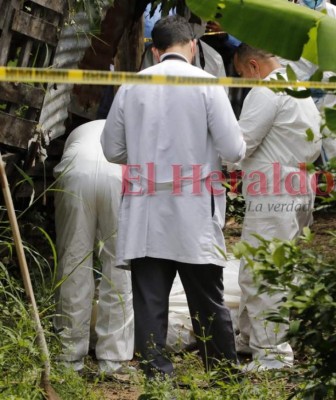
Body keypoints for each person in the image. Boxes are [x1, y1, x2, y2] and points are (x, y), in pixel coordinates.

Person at [101, 15, 246, 378]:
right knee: (207, 295)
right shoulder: (208, 84)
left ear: (154, 50)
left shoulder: (131, 86)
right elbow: (234, 148)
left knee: (149, 299)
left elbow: (112, 150)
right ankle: (224, 374)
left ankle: (158, 378)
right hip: (194, 206)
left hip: (145, 206)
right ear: (193, 46)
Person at [232, 44, 322, 371]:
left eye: (242, 74)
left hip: (274, 188)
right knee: (269, 266)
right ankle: (248, 337)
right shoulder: (296, 84)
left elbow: (241, 143)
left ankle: (271, 353)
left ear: (253, 66)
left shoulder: (265, 91)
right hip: (297, 183)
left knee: (262, 270)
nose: (244, 81)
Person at [54, 120, 134, 376]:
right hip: (118, 176)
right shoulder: (132, 127)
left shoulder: (79, 132)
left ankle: (69, 357)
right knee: (119, 265)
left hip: (76, 173)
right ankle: (112, 360)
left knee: (74, 262)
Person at [282, 0, 336, 229]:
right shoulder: (286, 10)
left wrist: (326, 79)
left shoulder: (334, 13)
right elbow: (281, 56)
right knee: (294, 150)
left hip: (328, 93)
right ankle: (294, 209)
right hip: (296, 93)